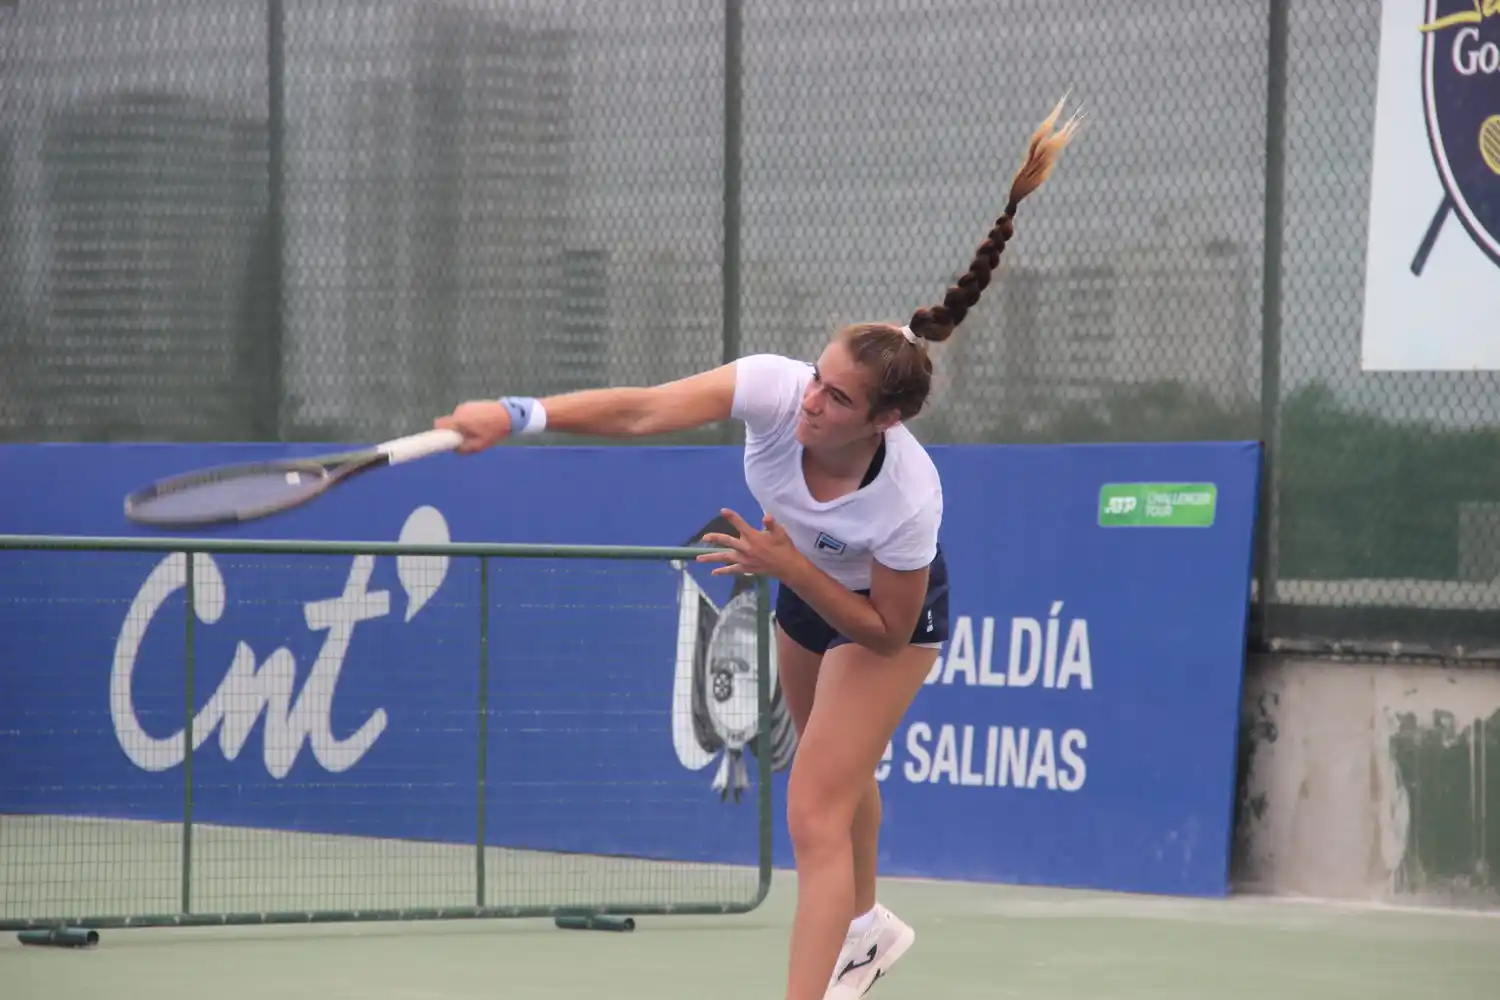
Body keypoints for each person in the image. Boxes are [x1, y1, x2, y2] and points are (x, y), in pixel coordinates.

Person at [434, 96, 1080, 1000]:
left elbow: (885, 635)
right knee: (827, 756)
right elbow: (645, 406)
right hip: (804, 583)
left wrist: (789, 569)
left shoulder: (908, 496)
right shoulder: (777, 393)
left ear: (884, 420)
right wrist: (518, 415)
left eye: (839, 400)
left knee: (813, 808)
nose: (812, 403)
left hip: (888, 613)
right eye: (817, 382)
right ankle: (867, 928)